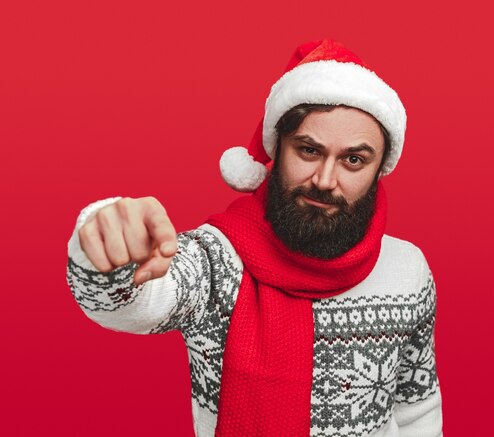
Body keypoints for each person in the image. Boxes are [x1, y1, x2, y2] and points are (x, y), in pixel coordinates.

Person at [67, 39, 443, 437]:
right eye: (309, 150)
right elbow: (127, 305)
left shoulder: (409, 270)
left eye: (353, 160)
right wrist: (106, 246)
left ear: (379, 169)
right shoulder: (218, 260)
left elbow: (416, 407)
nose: (325, 180)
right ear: (277, 150)